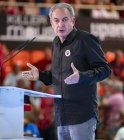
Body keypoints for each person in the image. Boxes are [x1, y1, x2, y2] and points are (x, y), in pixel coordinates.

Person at [22, 3, 111, 140]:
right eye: (56, 20)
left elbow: (105, 70)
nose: (60, 24)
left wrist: (81, 76)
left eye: (65, 20)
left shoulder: (85, 40)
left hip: (82, 115)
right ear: (51, 23)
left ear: (73, 20)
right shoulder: (55, 43)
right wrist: (41, 75)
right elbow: (58, 77)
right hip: (61, 116)